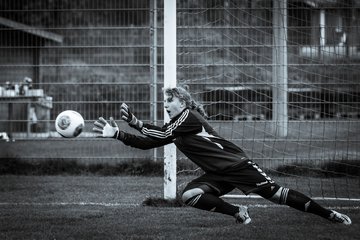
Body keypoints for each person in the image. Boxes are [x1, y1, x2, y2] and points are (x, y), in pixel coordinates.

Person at [93, 86, 352, 225]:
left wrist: (136, 123)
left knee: (277, 195)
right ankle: (238, 211)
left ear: (182, 103)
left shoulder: (188, 117)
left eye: (169, 100)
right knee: (189, 196)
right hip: (219, 173)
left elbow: (158, 135)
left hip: (237, 165)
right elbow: (150, 143)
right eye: (164, 101)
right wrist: (118, 134)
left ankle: (329, 215)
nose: (165, 104)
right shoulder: (176, 127)